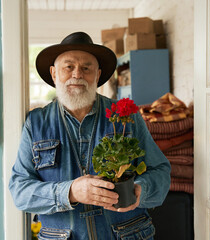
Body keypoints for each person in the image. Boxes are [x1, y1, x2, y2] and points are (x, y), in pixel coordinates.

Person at [9, 31, 171, 240]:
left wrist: (142, 190)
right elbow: (20, 191)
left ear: (97, 74)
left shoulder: (126, 115)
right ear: (54, 73)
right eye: (68, 67)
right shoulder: (36, 123)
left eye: (86, 68)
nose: (77, 74)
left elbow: (161, 171)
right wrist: (70, 192)